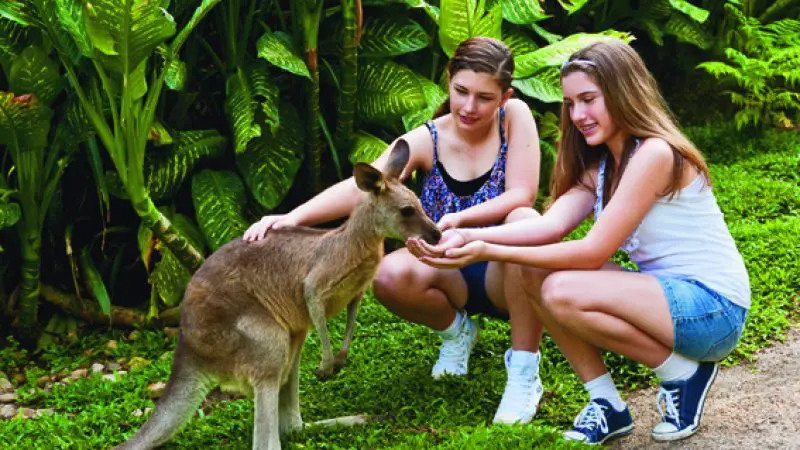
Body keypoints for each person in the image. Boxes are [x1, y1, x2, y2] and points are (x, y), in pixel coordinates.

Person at [409, 38, 750, 444]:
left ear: (623, 92)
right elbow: (546, 227)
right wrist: (465, 232)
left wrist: (485, 250)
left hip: (714, 309)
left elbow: (593, 252)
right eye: (571, 104)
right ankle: (606, 403)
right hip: (665, 301)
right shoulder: (603, 167)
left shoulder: (655, 154)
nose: (578, 115)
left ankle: (684, 375)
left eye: (589, 99)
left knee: (561, 288)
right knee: (536, 268)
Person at [243, 37, 547, 424]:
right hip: (446, 268)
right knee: (387, 273)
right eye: (461, 92)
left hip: (503, 271)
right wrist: (292, 217)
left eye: (485, 98)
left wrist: (463, 221)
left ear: (505, 96)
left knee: (527, 221)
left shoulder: (515, 116)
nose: (470, 107)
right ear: (448, 80)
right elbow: (364, 188)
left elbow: (523, 192)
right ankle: (457, 333)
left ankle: (523, 372)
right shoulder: (428, 139)